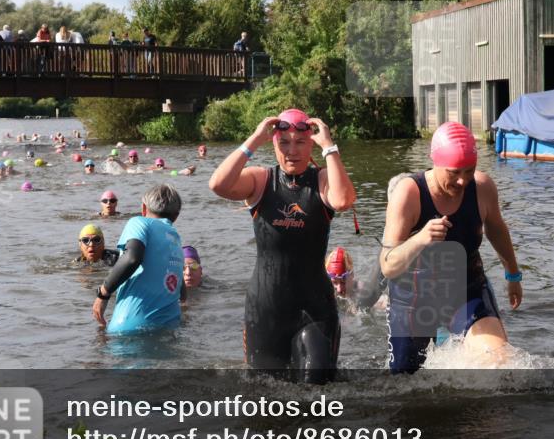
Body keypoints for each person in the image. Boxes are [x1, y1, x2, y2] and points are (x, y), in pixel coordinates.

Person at [209, 109, 356, 383]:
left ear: (311, 143)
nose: (292, 151)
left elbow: (342, 201)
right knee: (263, 395)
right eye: (283, 143)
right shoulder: (260, 180)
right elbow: (218, 184)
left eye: (300, 142)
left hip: (315, 310)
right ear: (274, 144)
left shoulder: (322, 180)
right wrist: (254, 139)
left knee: (318, 391)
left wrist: (330, 147)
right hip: (265, 310)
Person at [379, 122, 523, 374]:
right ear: (433, 161)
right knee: (404, 385)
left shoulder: (482, 188)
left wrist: (512, 274)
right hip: (413, 296)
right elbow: (388, 265)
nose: (462, 181)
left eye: (469, 171)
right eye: (454, 172)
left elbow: (497, 231)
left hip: (466, 288)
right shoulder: (409, 193)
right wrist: (420, 239)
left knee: (500, 365)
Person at [92, 185, 185, 334]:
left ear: (144, 208)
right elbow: (182, 291)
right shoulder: (175, 238)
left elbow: (132, 258)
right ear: (176, 215)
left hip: (130, 327)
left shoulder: (139, 222)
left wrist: (103, 294)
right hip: (169, 326)